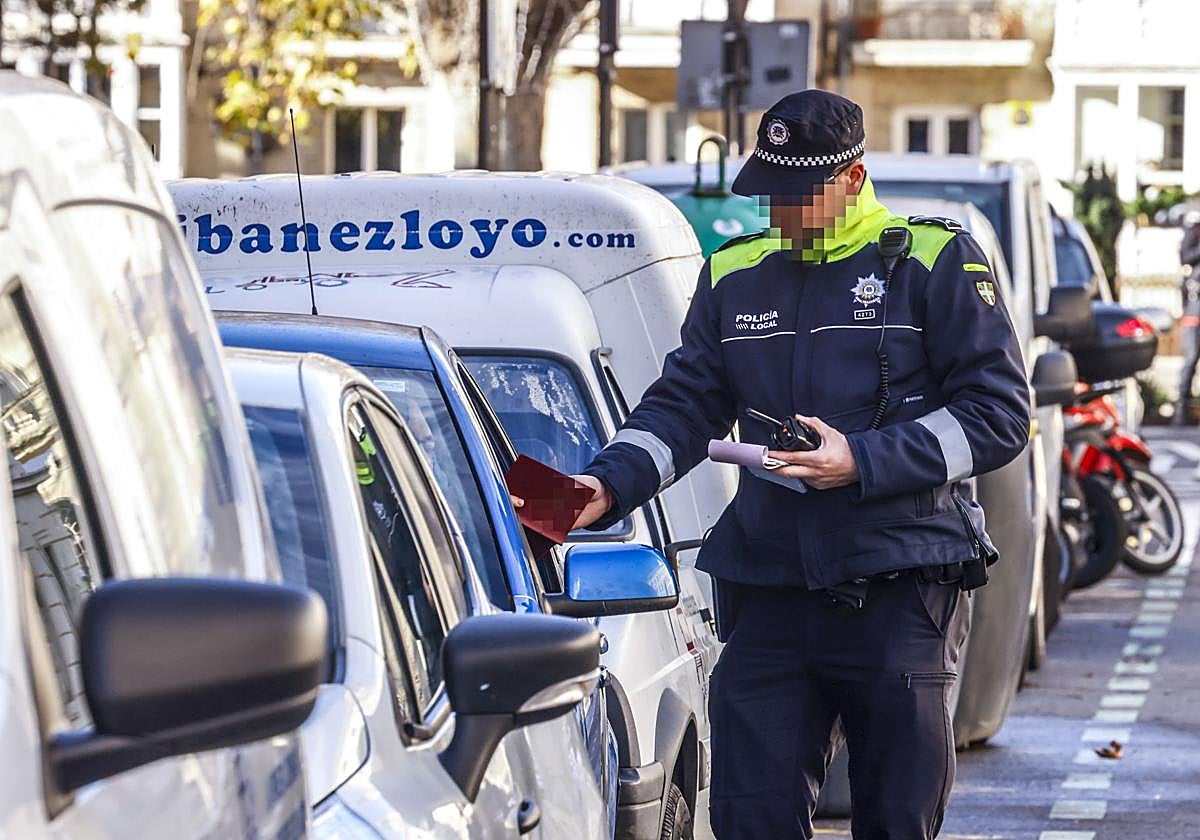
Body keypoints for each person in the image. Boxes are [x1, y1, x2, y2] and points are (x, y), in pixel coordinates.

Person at [570, 90, 1030, 839]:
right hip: (771, 589)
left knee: (895, 819)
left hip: (901, 589)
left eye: (797, 195)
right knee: (749, 820)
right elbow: (683, 409)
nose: (778, 212)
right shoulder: (734, 273)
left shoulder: (934, 259)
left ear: (851, 180)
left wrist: (864, 461)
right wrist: (605, 483)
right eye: (769, 194)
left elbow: (999, 415)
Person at [1173, 210, 1200, 425]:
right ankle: (1181, 409)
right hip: (1195, 310)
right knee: (1190, 360)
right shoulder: (1191, 252)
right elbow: (1186, 255)